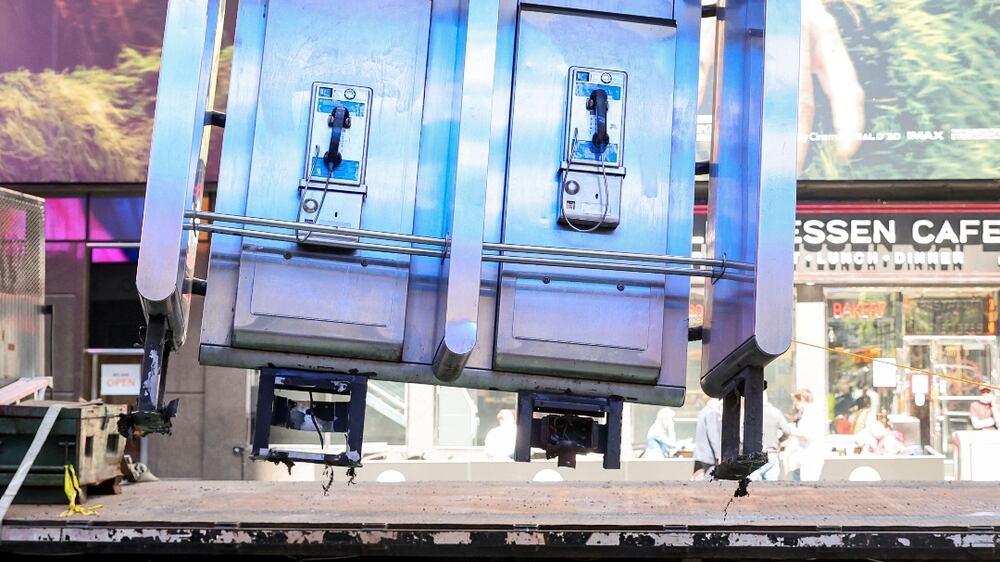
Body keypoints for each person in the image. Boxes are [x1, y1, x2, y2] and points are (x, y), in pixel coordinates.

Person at [750, 392, 792, 481]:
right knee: (772, 489)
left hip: (754, 456)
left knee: (754, 489)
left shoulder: (750, 412)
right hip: (771, 453)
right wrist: (779, 441)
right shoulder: (775, 412)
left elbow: (741, 434)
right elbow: (787, 431)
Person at [786, 388, 826, 481]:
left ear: (802, 399)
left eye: (796, 400)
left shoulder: (811, 413)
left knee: (806, 488)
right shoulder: (810, 412)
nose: (795, 403)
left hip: (810, 457)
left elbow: (807, 435)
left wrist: (791, 430)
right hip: (805, 456)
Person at [692, 398, 722, 479]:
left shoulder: (704, 411)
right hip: (709, 457)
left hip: (701, 455)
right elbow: (713, 435)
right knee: (709, 484)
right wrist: (719, 455)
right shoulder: (712, 413)